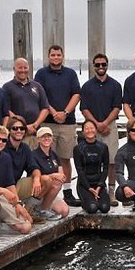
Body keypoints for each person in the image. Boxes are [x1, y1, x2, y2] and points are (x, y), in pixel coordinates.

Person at [34, 45, 82, 207]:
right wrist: (54, 112)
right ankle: (48, 193)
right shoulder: (41, 74)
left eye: (58, 55)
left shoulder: (70, 73)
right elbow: (41, 95)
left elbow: (77, 94)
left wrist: (65, 112)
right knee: (45, 158)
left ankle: (67, 192)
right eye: (53, 55)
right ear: (48, 57)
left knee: (65, 158)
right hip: (47, 123)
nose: (55, 57)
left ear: (63, 56)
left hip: (67, 123)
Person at [80, 53, 122, 206]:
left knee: (111, 162)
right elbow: (83, 108)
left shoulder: (116, 85)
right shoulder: (87, 86)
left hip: (110, 126)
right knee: (92, 162)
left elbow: (117, 107)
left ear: (107, 65)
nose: (100, 67)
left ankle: (111, 193)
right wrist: (96, 124)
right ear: (93, 66)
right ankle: (92, 191)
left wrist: (105, 123)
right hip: (92, 127)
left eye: (103, 64)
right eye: (97, 65)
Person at [5, 115, 62, 222]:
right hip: (4, 188)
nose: (19, 131)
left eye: (22, 128)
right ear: (9, 130)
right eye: (15, 128)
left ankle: (32, 209)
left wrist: (36, 179)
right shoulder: (3, 148)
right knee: (23, 225)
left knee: (45, 180)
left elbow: (33, 167)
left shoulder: (25, 148)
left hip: (17, 184)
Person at [3, 57, 50, 148]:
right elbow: (6, 110)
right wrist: (23, 126)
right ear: (14, 69)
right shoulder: (7, 87)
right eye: (20, 68)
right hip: (17, 134)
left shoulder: (37, 86)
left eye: (25, 68)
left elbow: (45, 108)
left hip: (35, 133)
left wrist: (35, 125)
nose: (23, 70)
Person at [73, 119, 111, 214]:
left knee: (105, 208)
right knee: (93, 208)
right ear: (83, 132)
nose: (89, 130)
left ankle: (96, 199)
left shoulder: (103, 147)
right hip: (84, 185)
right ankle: (87, 201)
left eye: (92, 128)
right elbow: (79, 170)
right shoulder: (78, 148)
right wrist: (89, 188)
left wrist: (99, 186)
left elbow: (106, 168)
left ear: (96, 130)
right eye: (87, 129)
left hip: (99, 183)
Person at [31, 127, 70, 220]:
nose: (46, 139)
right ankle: (42, 210)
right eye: (43, 136)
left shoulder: (54, 154)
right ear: (38, 139)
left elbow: (62, 175)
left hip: (51, 191)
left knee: (64, 211)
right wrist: (53, 175)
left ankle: (46, 207)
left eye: (49, 136)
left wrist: (59, 176)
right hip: (39, 190)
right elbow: (34, 174)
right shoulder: (33, 155)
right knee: (54, 183)